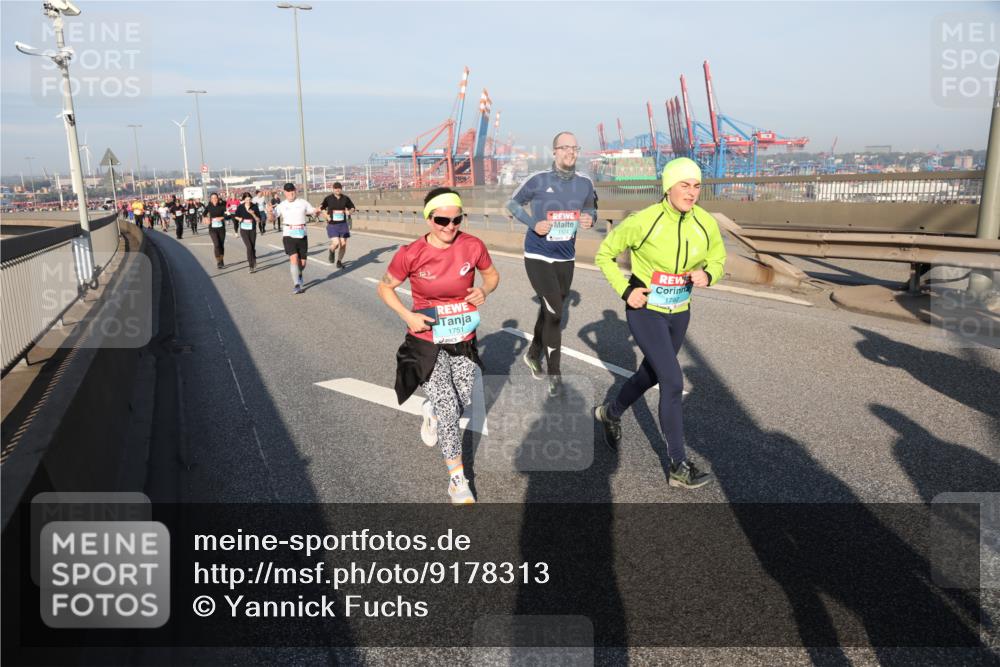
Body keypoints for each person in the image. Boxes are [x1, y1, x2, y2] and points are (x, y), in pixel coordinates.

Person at [593, 157, 727, 489]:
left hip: (680, 311)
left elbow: (718, 258)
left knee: (650, 374)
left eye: (696, 186)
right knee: (672, 380)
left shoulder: (705, 222)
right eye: (684, 185)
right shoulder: (644, 221)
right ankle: (678, 465)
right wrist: (626, 290)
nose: (691, 192)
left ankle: (610, 412)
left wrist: (709, 273)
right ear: (668, 187)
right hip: (646, 311)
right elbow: (604, 254)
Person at [377, 187, 499, 504]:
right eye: (442, 220)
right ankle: (457, 479)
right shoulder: (411, 253)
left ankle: (430, 410)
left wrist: (484, 290)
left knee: (464, 399)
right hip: (425, 339)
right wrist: (407, 315)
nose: (450, 226)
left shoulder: (472, 246)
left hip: (462, 337)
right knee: (448, 407)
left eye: (457, 219)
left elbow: (491, 275)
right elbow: (385, 287)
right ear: (429, 219)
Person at [506, 131, 597, 397]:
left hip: (566, 256)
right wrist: (534, 223)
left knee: (550, 310)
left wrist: (590, 218)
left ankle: (534, 352)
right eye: (565, 147)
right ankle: (554, 375)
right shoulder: (538, 179)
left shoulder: (585, 183)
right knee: (556, 313)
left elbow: (592, 209)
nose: (570, 152)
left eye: (574, 148)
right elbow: (512, 204)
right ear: (554, 151)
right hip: (538, 255)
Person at [274, 182, 316, 294]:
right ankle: (296, 285)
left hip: (302, 234)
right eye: (288, 191)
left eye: (292, 190)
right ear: (285, 192)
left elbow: (313, 211)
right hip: (288, 234)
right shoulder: (281, 205)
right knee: (293, 258)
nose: (290, 193)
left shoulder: (303, 202)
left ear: (295, 190)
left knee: (302, 263)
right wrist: (269, 212)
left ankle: (299, 274)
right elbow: (272, 218)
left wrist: (317, 211)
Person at [319, 182, 356, 267]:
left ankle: (339, 261)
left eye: (339, 188)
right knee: (336, 243)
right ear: (333, 189)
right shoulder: (328, 198)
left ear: (341, 189)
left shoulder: (345, 198)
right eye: (335, 188)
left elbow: (352, 207)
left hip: (343, 224)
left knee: (343, 244)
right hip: (332, 224)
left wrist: (349, 211)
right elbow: (321, 207)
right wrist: (326, 216)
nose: (337, 189)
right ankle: (331, 250)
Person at [234, 192, 261, 273]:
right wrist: (239, 219)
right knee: (249, 247)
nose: (248, 201)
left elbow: (258, 220)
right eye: (246, 199)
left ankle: (254, 258)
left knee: (252, 247)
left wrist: (253, 214)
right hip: (243, 230)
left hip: (252, 229)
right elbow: (235, 216)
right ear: (244, 199)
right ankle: (251, 266)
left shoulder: (254, 206)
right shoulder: (240, 207)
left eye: (249, 199)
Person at [204, 192, 228, 269]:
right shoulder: (209, 207)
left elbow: (228, 215)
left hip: (221, 228)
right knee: (216, 244)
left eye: (215, 198)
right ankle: (218, 261)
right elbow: (204, 214)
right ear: (210, 199)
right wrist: (206, 218)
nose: (214, 199)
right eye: (212, 198)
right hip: (212, 229)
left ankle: (221, 259)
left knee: (221, 245)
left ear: (218, 199)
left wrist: (222, 217)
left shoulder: (222, 206)